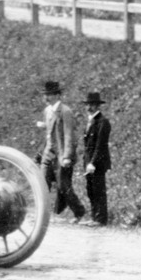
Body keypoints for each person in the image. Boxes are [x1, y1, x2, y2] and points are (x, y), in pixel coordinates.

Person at [40, 80, 86, 223]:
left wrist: (66, 156)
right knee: (42, 183)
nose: (47, 98)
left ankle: (79, 211)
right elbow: (49, 134)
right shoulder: (47, 111)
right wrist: (40, 153)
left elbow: (68, 135)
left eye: (50, 95)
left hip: (61, 155)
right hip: (48, 153)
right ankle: (43, 215)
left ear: (58, 95)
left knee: (63, 185)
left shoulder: (65, 111)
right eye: (45, 95)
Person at [81, 91, 111, 227]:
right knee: (90, 190)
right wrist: (86, 162)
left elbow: (100, 146)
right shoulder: (90, 121)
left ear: (98, 106)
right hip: (88, 162)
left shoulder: (103, 122)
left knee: (99, 190)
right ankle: (94, 217)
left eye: (92, 105)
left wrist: (92, 163)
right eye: (87, 105)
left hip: (97, 163)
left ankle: (101, 219)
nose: (89, 107)